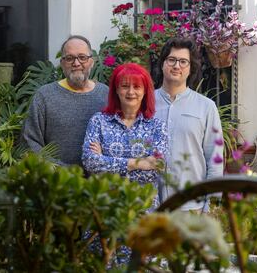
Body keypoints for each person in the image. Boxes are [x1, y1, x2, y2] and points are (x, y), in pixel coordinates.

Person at [82, 62, 168, 265]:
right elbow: (90, 161)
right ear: (116, 90)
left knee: (142, 267)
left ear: (145, 91)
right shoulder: (99, 121)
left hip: (143, 215)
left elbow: (157, 165)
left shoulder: (157, 125)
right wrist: (136, 163)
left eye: (137, 87)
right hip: (104, 215)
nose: (131, 92)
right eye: (125, 86)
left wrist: (106, 161)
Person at [154, 37, 224, 211]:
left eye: (183, 61)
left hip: (191, 207)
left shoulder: (206, 107)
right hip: (151, 205)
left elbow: (215, 160)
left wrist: (211, 207)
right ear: (163, 64)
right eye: (171, 60)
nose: (176, 66)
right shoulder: (145, 103)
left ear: (190, 68)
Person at [22, 35, 109, 166]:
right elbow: (29, 141)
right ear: (62, 63)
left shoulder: (106, 94)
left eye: (82, 57)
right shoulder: (45, 96)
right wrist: (63, 172)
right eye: (69, 58)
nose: (76, 63)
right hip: (57, 181)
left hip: (99, 181)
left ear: (92, 61)